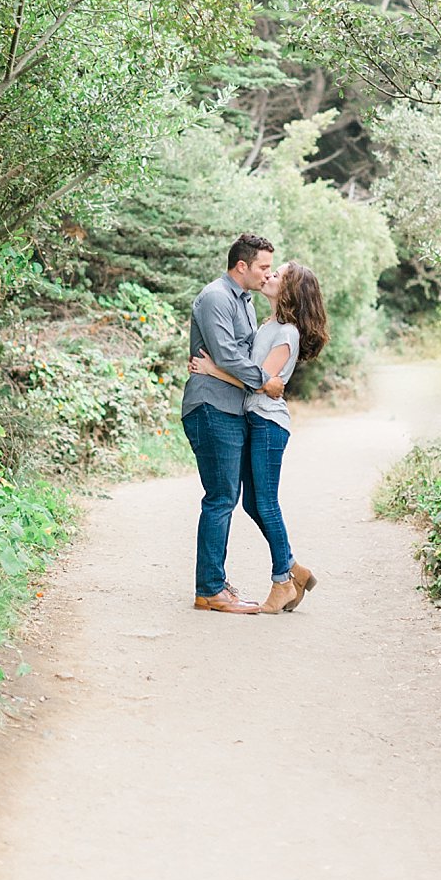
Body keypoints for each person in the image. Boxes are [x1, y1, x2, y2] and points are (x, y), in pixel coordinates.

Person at [190, 261, 329, 614]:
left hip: (269, 423)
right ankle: (294, 569)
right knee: (253, 503)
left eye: (277, 275)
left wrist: (211, 370)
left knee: (264, 502)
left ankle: (283, 580)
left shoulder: (287, 333)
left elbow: (261, 382)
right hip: (256, 419)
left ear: (290, 291)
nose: (269, 276)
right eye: (269, 271)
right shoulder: (269, 323)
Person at [181, 233, 286, 614]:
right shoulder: (216, 297)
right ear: (241, 266)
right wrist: (264, 381)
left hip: (232, 408)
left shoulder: (244, 302)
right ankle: (210, 589)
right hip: (211, 406)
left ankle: (216, 583)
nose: (267, 274)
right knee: (222, 497)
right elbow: (226, 353)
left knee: (229, 496)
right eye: (262, 267)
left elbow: (239, 355)